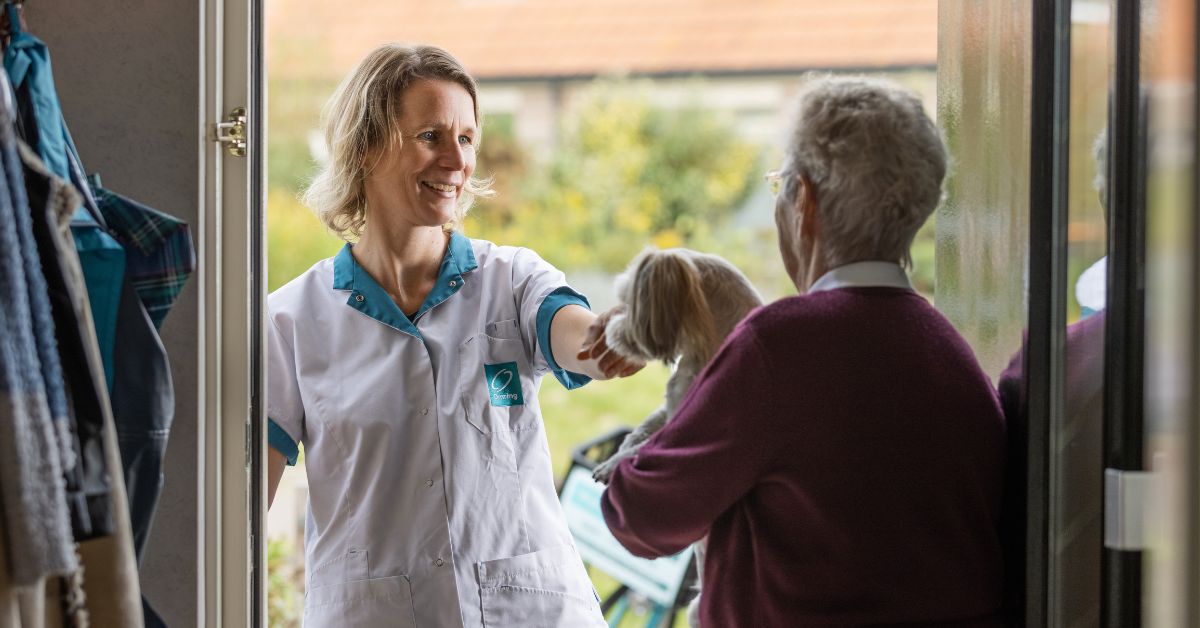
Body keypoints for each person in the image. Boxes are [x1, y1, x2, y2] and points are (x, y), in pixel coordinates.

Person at [599, 76, 1006, 627]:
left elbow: (641, 517)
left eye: (778, 186)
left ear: (805, 204)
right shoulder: (953, 357)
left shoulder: (780, 346)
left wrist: (652, 433)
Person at [265, 44, 640, 627]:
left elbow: (576, 335)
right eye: (431, 136)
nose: (456, 160)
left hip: (528, 611)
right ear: (366, 146)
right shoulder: (292, 321)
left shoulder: (512, 280)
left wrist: (612, 337)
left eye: (466, 138)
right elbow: (236, 513)